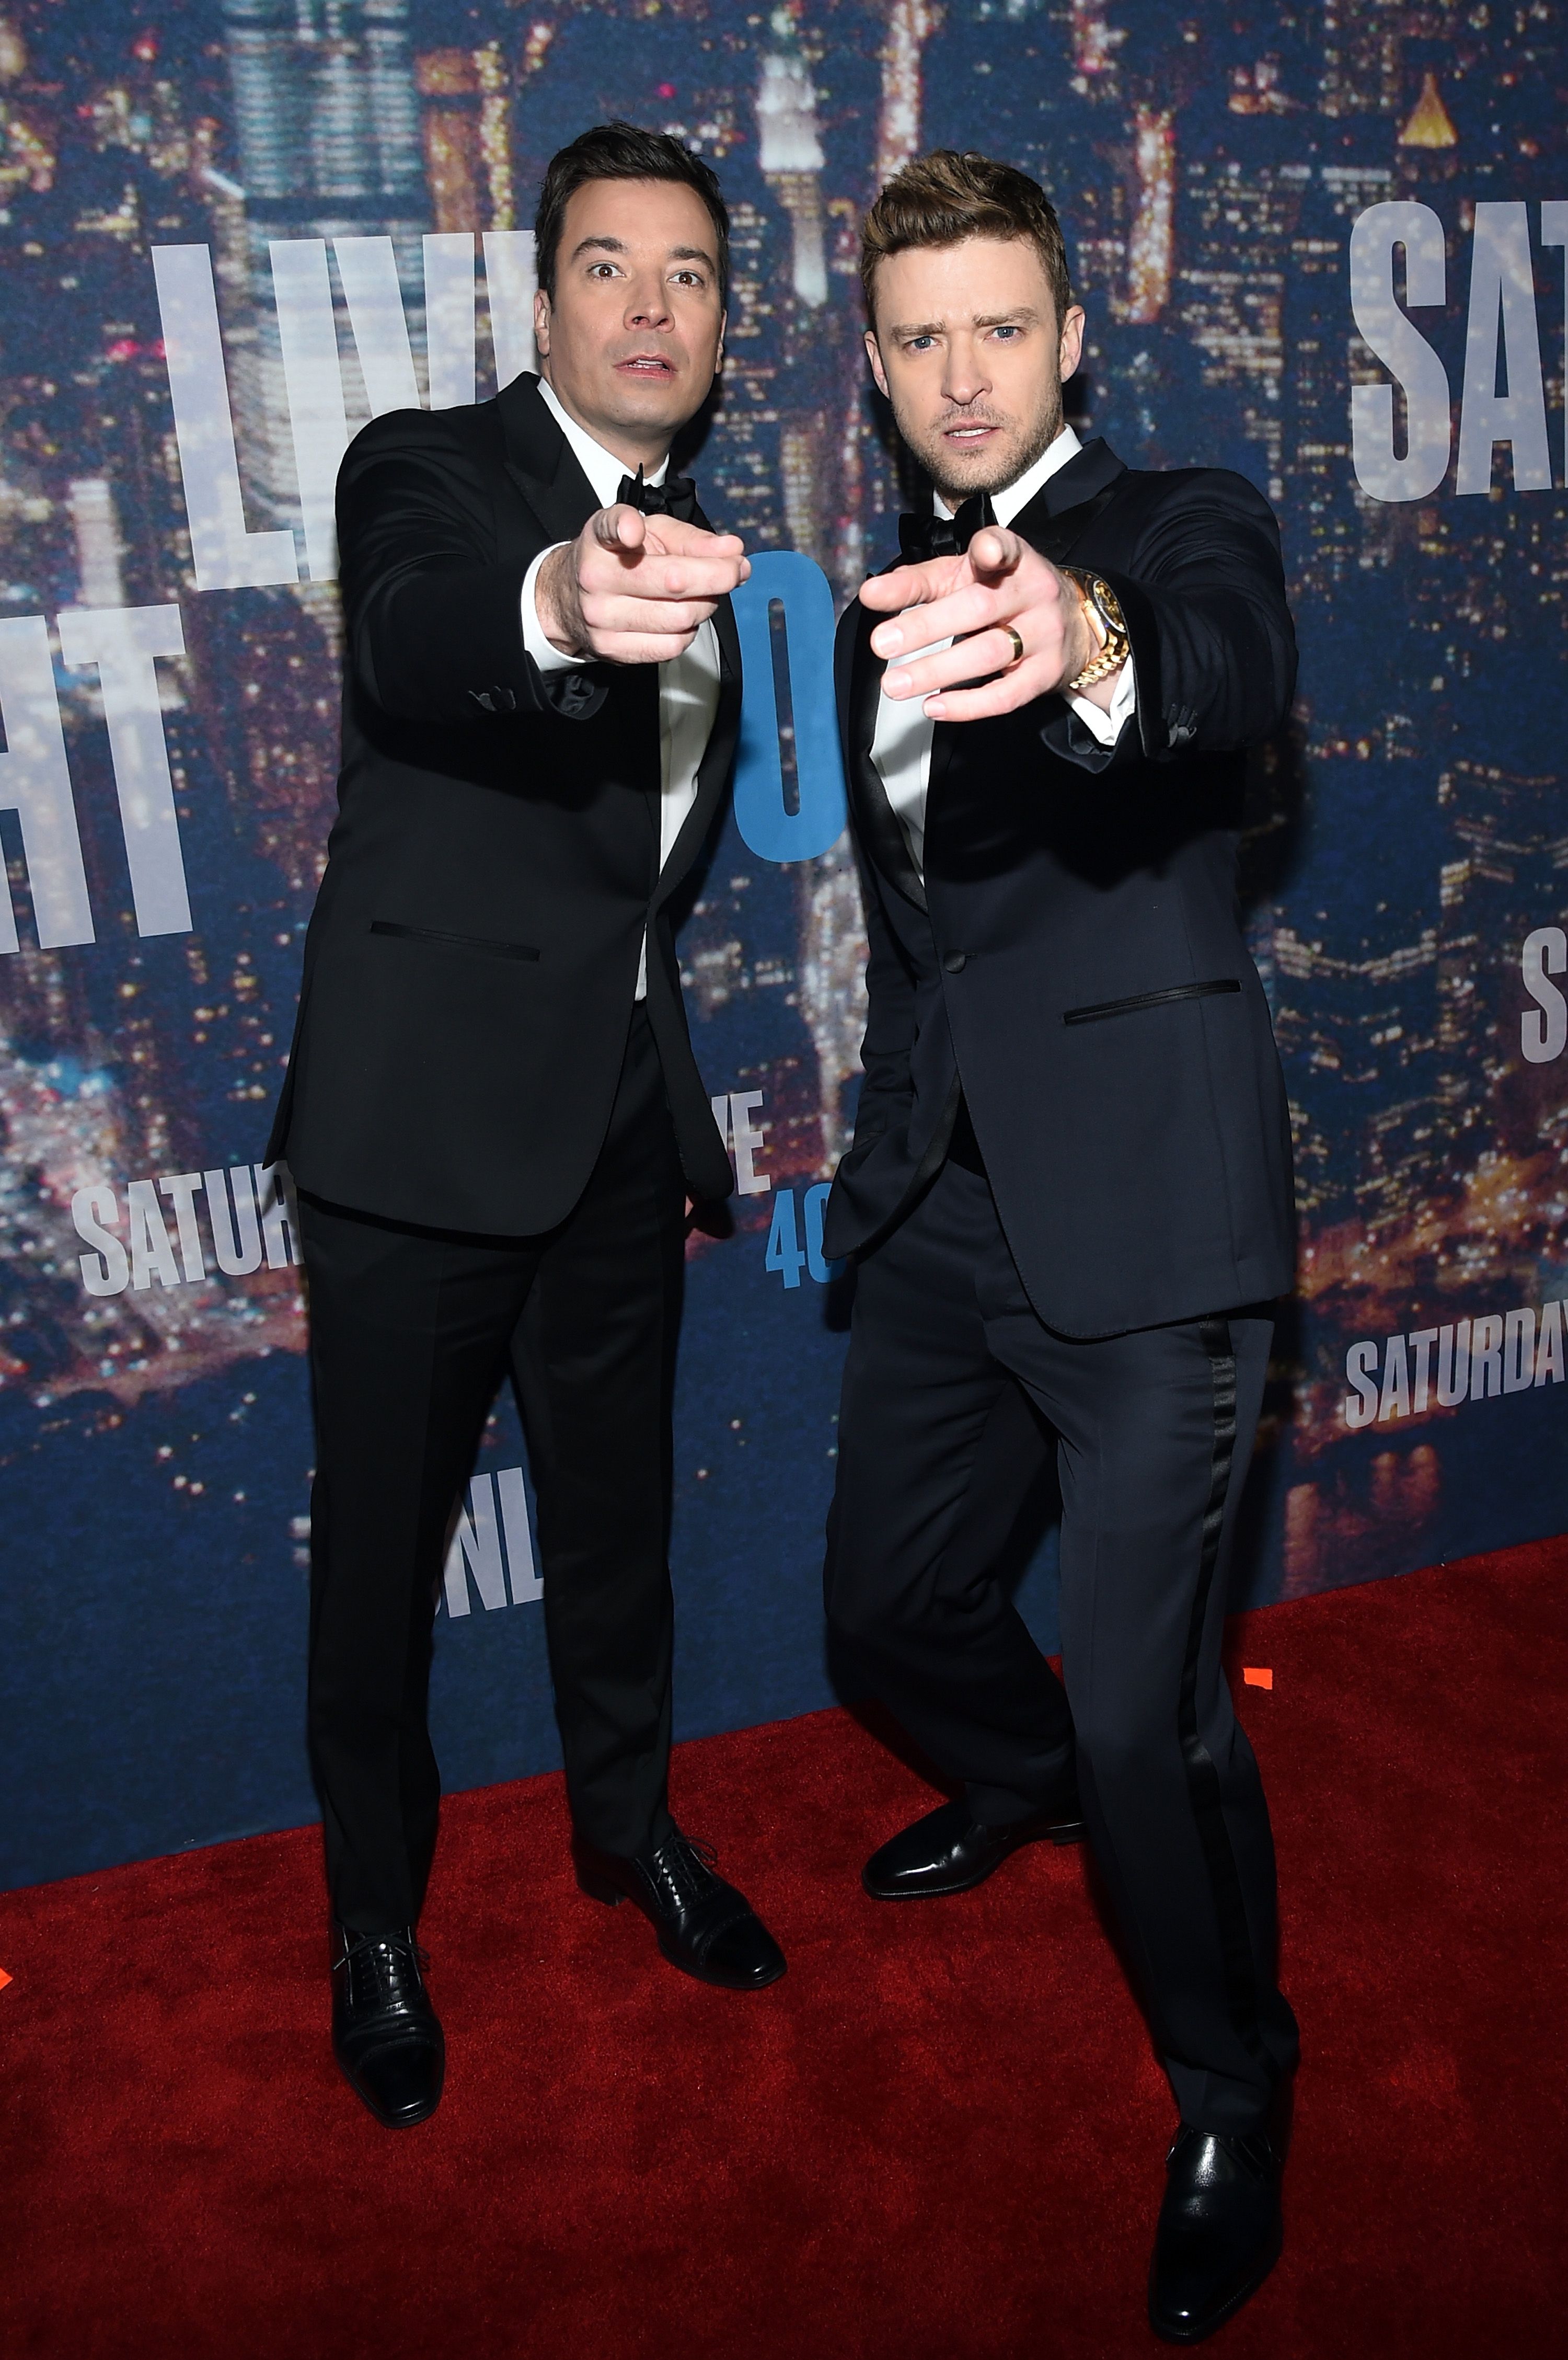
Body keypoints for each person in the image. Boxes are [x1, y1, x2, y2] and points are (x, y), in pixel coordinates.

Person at [821, 149, 1300, 2343]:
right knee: (888, 1609)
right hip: (947, 1215)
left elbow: (1210, 670)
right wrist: (877, 1161)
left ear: (1073, 334)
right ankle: (1013, 1784)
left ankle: (1233, 2077)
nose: (960, 372)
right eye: (917, 336)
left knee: (1154, 1720)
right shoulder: (874, 611)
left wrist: (1083, 639)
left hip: (1155, 1231)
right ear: (877, 364)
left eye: (1000, 324)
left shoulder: (1183, 523)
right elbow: (929, 949)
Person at [268, 121, 786, 2133]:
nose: (653, 306)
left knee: (615, 1529)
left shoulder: (724, 542)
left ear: (727, 321)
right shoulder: (429, 471)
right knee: (380, 1565)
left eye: (693, 274)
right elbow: (424, 630)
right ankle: (374, 1924)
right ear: (542, 294)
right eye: (609, 267)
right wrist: (566, 602)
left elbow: (634, 880)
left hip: (608, 1136)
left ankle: (627, 1828)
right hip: (413, 1138)